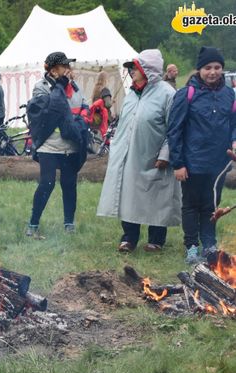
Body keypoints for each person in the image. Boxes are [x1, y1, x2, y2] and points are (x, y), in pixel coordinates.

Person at [97, 49, 181, 252]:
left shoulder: (168, 94)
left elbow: (175, 128)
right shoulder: (131, 95)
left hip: (154, 156)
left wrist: (165, 154)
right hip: (130, 155)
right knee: (129, 196)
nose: (132, 71)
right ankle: (129, 238)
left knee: (158, 197)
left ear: (147, 69)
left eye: (135, 67)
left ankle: (156, 240)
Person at [168, 46, 236, 263]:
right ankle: (191, 247)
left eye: (217, 67)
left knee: (211, 204)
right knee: (191, 205)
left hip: (218, 163)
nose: (213, 72)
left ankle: (209, 245)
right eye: (208, 67)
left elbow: (233, 123)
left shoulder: (229, 95)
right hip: (191, 161)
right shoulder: (186, 94)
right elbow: (174, 129)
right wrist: (178, 163)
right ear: (199, 70)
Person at [26, 52, 87, 238]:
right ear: (53, 71)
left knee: (69, 184)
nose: (69, 70)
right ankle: (33, 224)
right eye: (65, 67)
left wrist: (82, 121)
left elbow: (84, 108)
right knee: (47, 183)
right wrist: (61, 86)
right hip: (49, 146)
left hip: (71, 146)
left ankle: (69, 224)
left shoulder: (75, 88)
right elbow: (52, 110)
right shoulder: (40, 88)